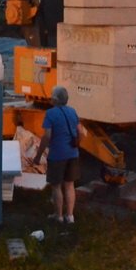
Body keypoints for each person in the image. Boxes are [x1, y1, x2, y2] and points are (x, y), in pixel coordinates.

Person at [32, 86, 83, 225]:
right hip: (73, 154)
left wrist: (38, 155)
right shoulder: (73, 111)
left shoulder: (50, 114)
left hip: (57, 155)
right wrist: (77, 144)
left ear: (54, 99)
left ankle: (58, 216)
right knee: (69, 185)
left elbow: (47, 136)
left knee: (56, 186)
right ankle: (70, 216)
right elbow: (81, 132)